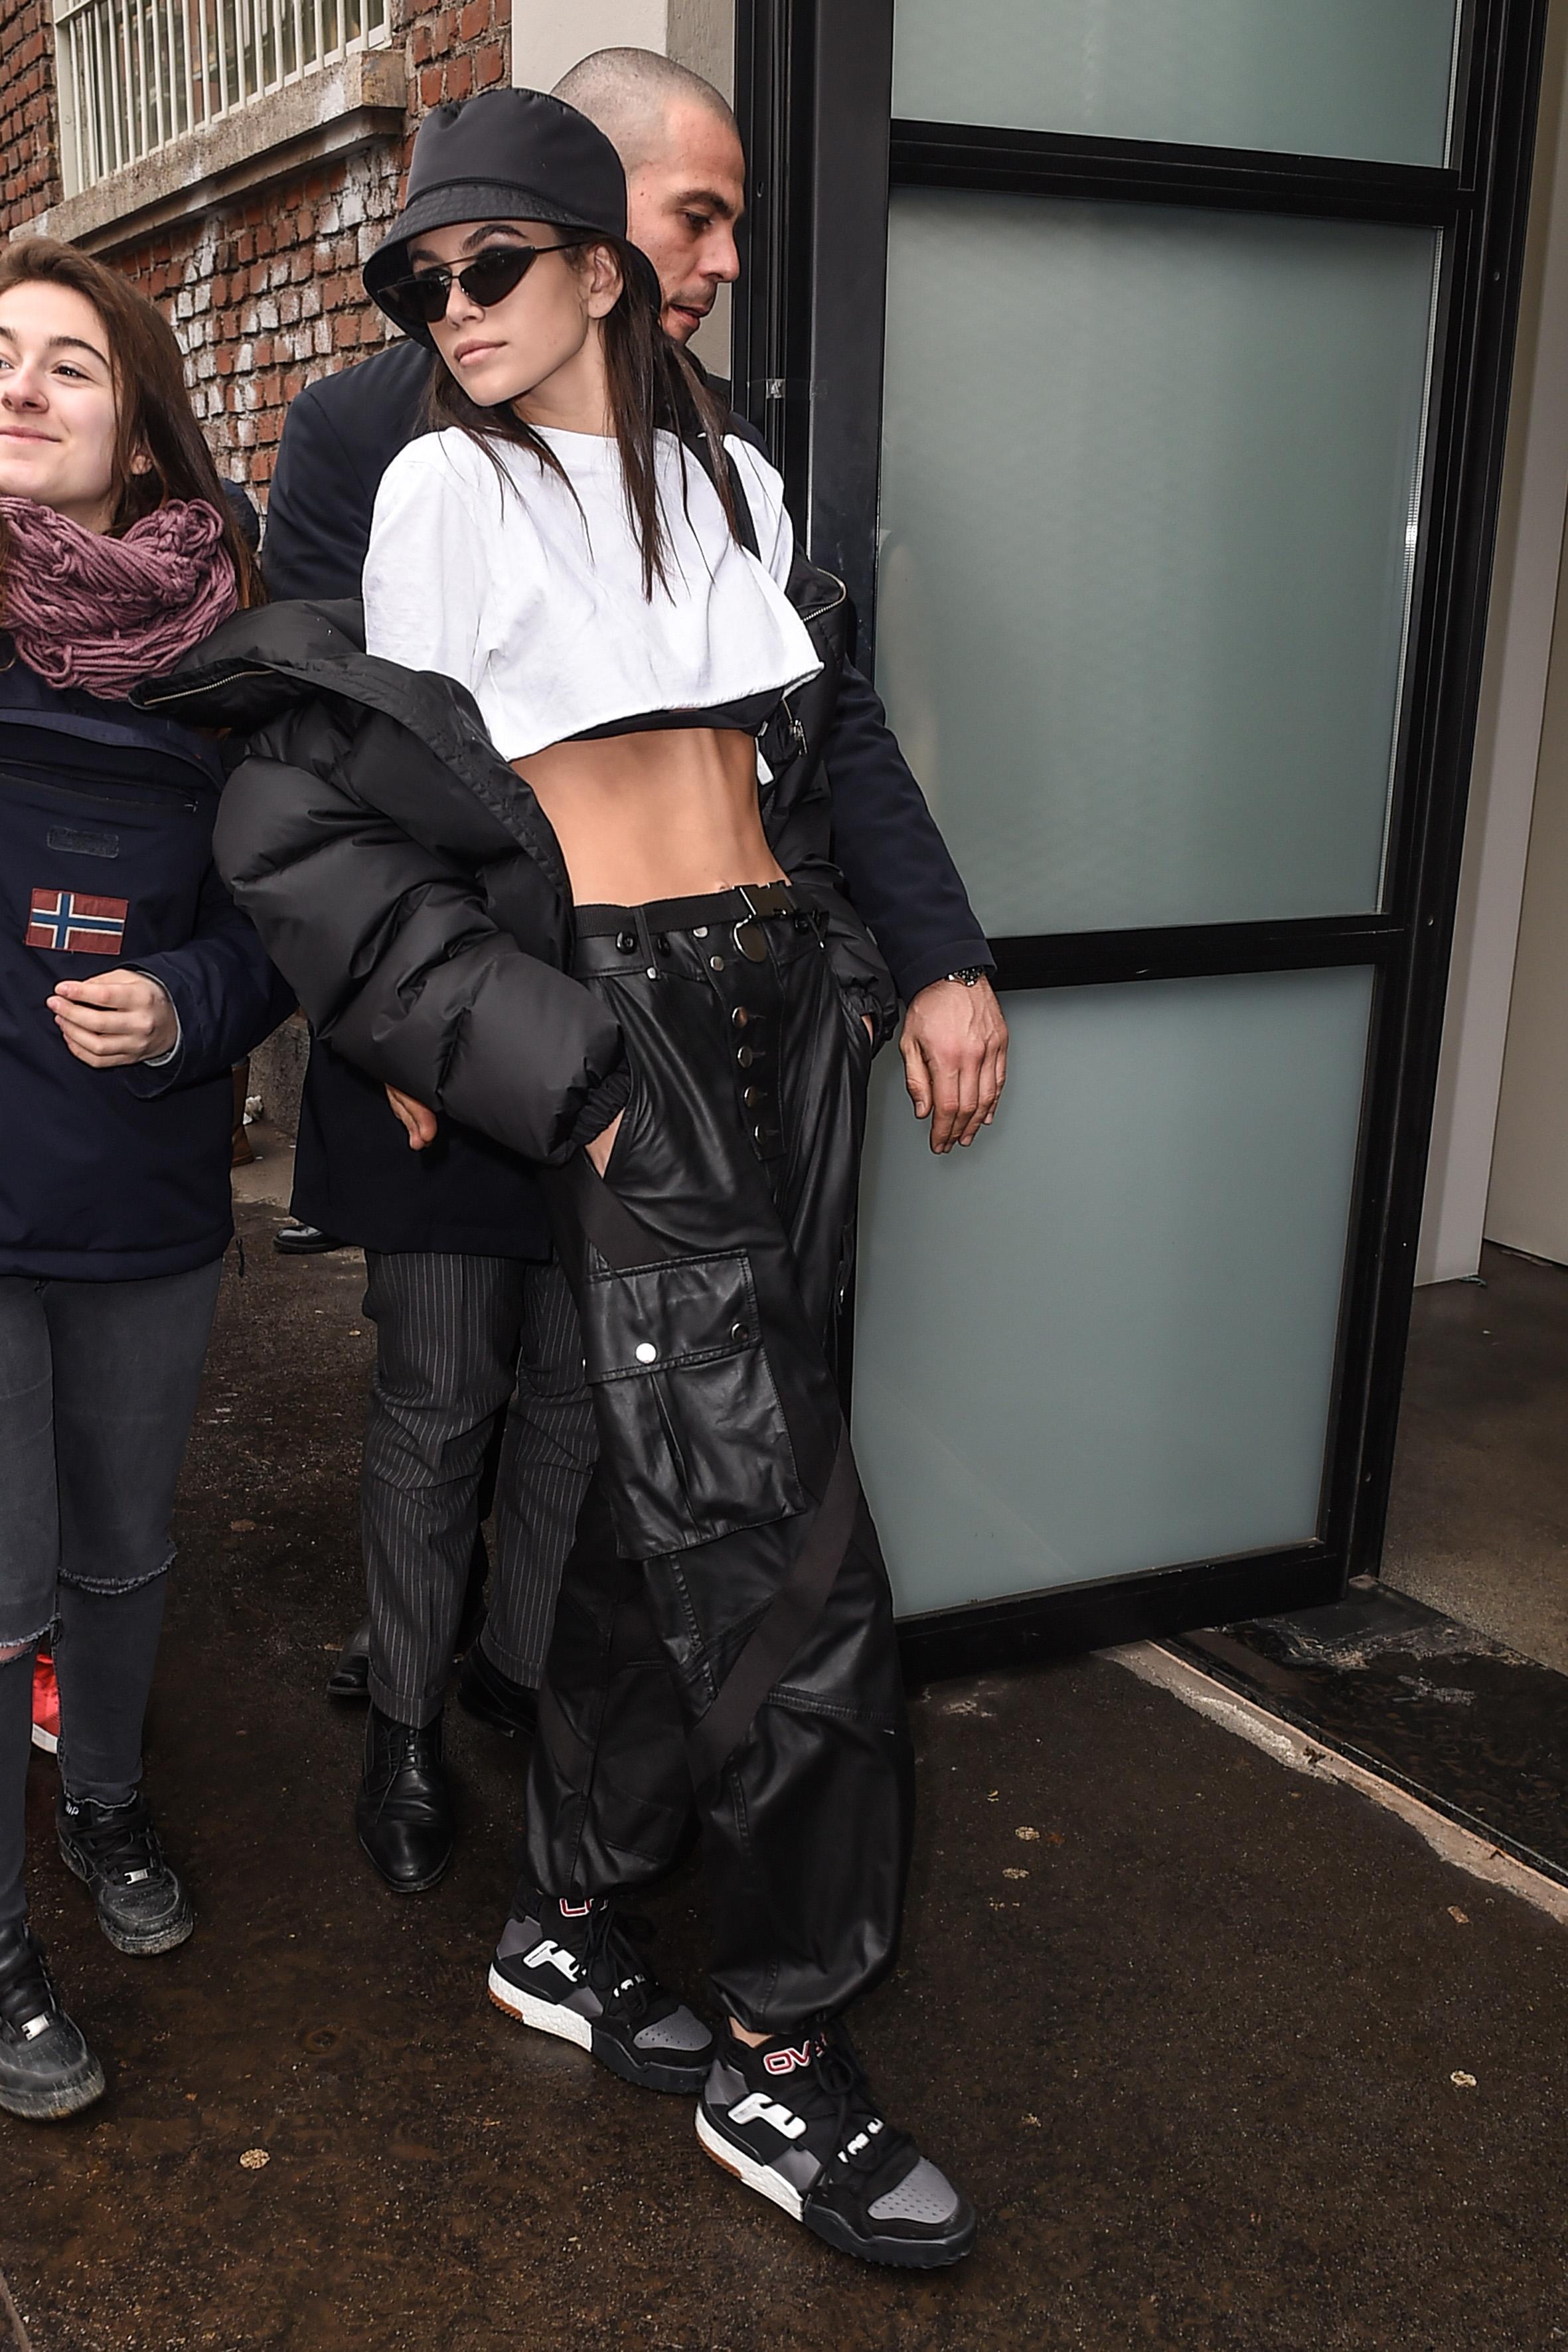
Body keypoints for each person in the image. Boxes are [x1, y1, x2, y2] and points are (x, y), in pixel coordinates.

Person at [167, 86, 979, 2268]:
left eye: (492, 266)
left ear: (600, 270)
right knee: (795, 1578)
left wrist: (913, 960)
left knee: (648, 1515)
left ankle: (573, 1916)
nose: (452, 306)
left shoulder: (727, 479)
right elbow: (333, 824)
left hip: (769, 1017)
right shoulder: (438, 486)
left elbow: (814, 743)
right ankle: (791, 2050)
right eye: (418, 281)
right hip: (627, 1038)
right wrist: (552, 1070)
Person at [0, 240, 290, 2122]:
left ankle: (102, 1797)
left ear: (138, 426)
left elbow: (290, 921)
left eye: (67, 368)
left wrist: (189, 1001)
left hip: (145, 1188)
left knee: (119, 1549)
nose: (20, 388)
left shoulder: (231, 656)